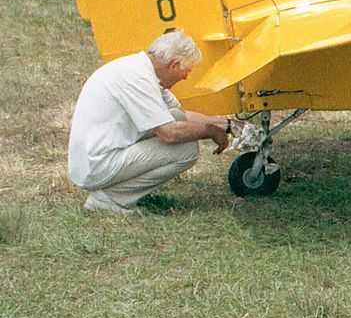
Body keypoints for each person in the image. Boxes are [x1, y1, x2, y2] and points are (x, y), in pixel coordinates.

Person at [67, 30, 231, 213]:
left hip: (94, 159)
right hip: (97, 165)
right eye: (186, 71)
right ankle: (109, 199)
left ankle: (116, 193)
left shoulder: (140, 69)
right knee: (186, 150)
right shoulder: (138, 78)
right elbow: (170, 133)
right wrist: (209, 131)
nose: (185, 77)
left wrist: (225, 125)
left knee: (175, 115)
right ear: (174, 65)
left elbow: (182, 115)